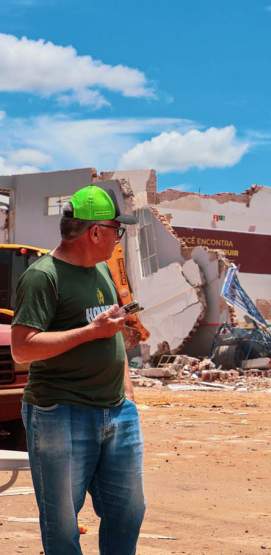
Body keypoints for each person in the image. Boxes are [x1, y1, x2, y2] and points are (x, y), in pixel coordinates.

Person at [11, 185, 144, 554]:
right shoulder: (43, 277)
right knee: (63, 522)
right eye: (116, 229)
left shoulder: (102, 271)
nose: (119, 238)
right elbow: (22, 349)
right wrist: (91, 332)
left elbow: (108, 334)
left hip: (116, 412)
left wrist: (128, 395)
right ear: (95, 232)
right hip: (60, 413)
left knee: (128, 511)